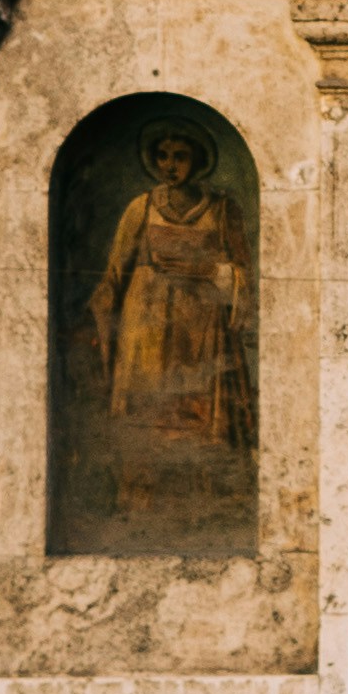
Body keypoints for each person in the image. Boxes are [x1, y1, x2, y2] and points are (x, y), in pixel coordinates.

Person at [88, 119, 250, 524]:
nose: (170, 165)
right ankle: (141, 502)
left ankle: (200, 505)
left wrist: (219, 277)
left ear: (197, 160)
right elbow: (114, 273)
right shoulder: (140, 208)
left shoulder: (221, 208)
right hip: (146, 324)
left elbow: (244, 271)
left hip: (200, 326)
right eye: (163, 156)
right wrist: (100, 318)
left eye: (180, 156)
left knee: (194, 412)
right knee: (148, 409)